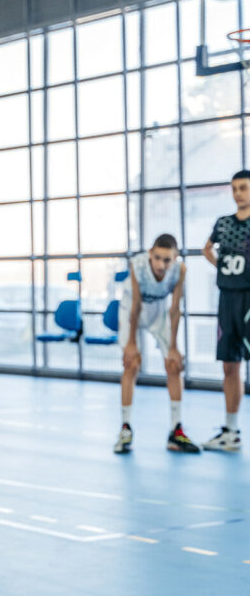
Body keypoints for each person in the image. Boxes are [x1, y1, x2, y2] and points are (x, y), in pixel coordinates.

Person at [113, 234, 199, 454]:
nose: (162, 264)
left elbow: (175, 309)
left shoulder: (180, 271)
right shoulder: (138, 265)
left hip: (159, 311)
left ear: (175, 257)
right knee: (131, 363)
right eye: (158, 258)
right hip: (131, 310)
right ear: (150, 254)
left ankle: (176, 431)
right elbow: (135, 307)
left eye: (167, 260)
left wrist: (174, 347)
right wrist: (132, 343)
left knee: (173, 365)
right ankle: (125, 428)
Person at [201, 169, 250, 452]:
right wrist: (222, 267)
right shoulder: (223, 223)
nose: (238, 193)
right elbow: (207, 249)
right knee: (229, 365)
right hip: (227, 299)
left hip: (249, 300)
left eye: (243, 187)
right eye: (234, 188)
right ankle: (231, 432)